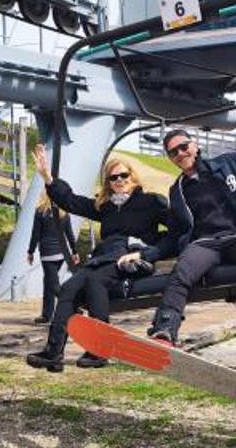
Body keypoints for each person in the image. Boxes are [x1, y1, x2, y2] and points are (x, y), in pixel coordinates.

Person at [119, 100, 236, 356]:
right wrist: (146, 254)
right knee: (183, 269)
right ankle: (165, 330)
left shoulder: (233, 164)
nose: (180, 154)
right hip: (206, 244)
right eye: (173, 152)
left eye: (184, 146)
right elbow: (175, 236)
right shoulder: (177, 192)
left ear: (195, 145)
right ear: (171, 159)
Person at [25, 145, 168, 372]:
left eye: (123, 175)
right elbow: (72, 201)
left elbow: (177, 230)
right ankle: (53, 352)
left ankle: (100, 350)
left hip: (130, 259)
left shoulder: (151, 202)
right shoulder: (106, 207)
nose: (119, 180)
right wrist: (49, 179)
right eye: (113, 178)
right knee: (68, 288)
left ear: (132, 176)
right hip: (104, 258)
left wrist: (147, 250)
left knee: (94, 281)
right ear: (108, 182)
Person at [27, 189, 79, 324]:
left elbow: (35, 234)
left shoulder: (40, 212)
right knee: (48, 282)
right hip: (61, 254)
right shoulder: (63, 213)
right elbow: (69, 234)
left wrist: (30, 252)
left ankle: (74, 305)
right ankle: (46, 315)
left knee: (53, 285)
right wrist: (74, 252)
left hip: (47, 254)